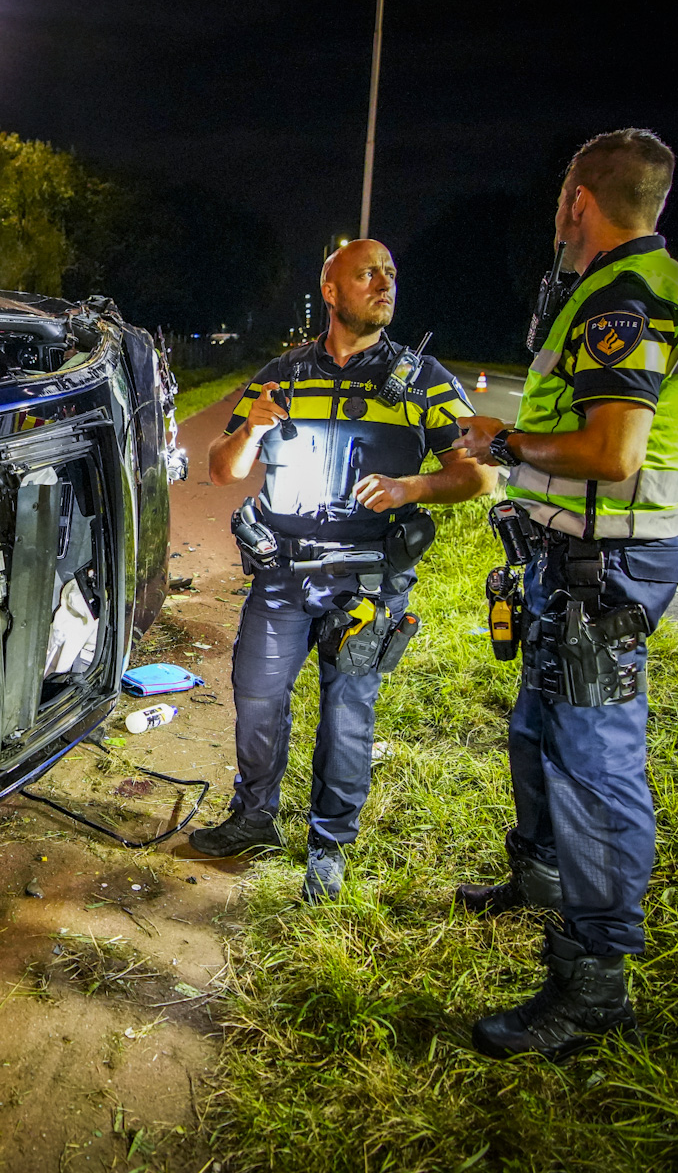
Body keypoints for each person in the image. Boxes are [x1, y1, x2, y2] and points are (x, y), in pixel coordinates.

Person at [454, 128, 678, 1060]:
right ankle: (540, 881)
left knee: (596, 773)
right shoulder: (622, 288)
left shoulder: (627, 295)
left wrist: (509, 445)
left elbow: (614, 452)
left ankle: (595, 982)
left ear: (578, 201)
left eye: (563, 199)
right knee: (535, 730)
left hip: (604, 574)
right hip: (569, 569)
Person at [189, 239, 488, 899]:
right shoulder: (282, 375)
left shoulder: (424, 380)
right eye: (368, 273)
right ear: (330, 290)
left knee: (347, 713)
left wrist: (414, 488)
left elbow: (478, 474)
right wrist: (250, 432)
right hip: (282, 575)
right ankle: (254, 818)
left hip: (368, 582)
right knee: (258, 698)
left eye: (391, 273)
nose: (386, 283)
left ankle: (328, 844)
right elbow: (220, 469)